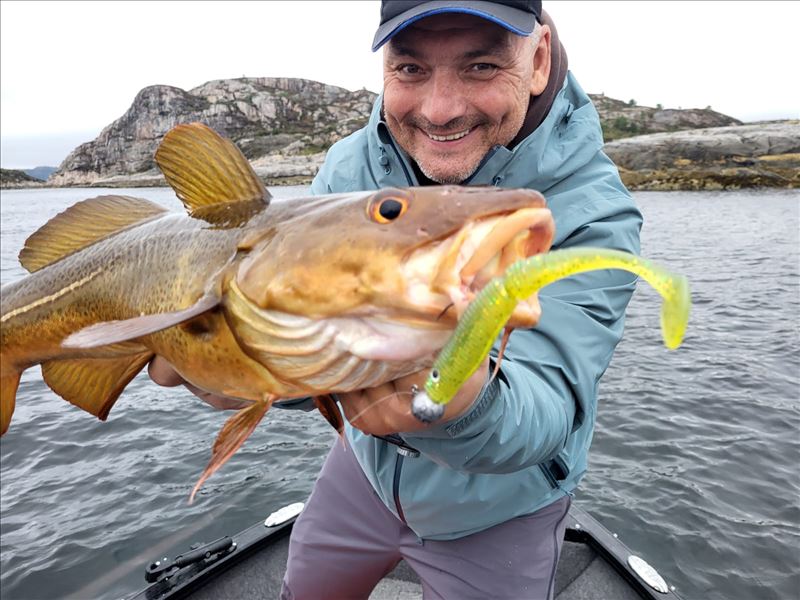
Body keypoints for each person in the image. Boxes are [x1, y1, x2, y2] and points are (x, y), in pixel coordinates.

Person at [150, 1, 642, 598]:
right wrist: (255, 370)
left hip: (502, 508)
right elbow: (310, 348)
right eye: (410, 69)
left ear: (538, 60)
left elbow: (548, 404)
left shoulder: (595, 212)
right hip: (365, 471)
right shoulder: (349, 166)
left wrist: (451, 398)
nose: (439, 110)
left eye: (481, 66)